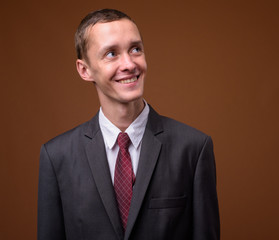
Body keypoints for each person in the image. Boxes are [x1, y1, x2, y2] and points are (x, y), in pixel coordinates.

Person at [37, 9, 219, 240]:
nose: (129, 64)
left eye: (135, 49)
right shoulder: (56, 156)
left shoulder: (193, 148)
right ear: (84, 70)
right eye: (111, 53)